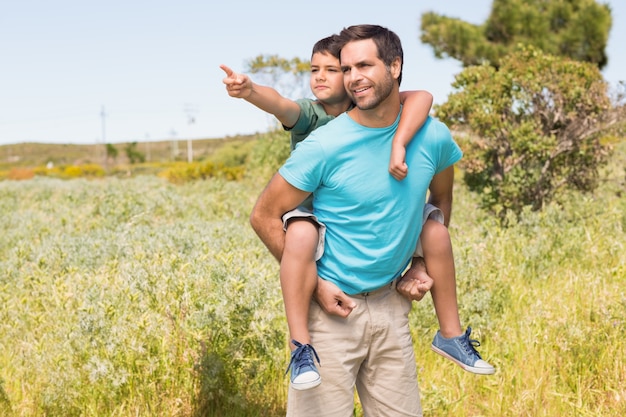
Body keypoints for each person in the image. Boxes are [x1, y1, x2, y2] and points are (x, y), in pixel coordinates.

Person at [249, 24, 487, 416]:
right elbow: (263, 215)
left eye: (364, 65)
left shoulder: (433, 136)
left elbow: (441, 199)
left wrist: (422, 263)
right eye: (346, 68)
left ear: (394, 66)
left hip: (392, 311)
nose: (353, 77)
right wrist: (318, 288)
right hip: (329, 315)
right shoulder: (324, 145)